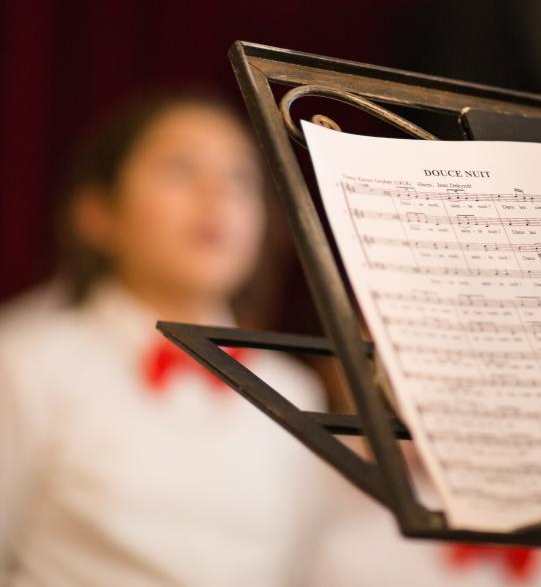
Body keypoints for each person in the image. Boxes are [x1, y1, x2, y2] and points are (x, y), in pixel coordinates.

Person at [0, 93, 326, 586]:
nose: (217, 196)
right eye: (180, 169)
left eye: (240, 179)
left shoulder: (295, 392)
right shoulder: (27, 362)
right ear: (98, 213)